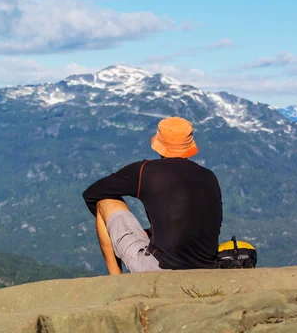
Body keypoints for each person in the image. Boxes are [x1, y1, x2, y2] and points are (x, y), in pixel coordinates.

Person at [82, 116, 222, 274]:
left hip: (160, 267)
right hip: (206, 267)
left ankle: (115, 281)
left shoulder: (144, 171)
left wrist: (111, 228)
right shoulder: (209, 176)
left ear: (159, 143)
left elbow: (91, 194)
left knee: (104, 202)